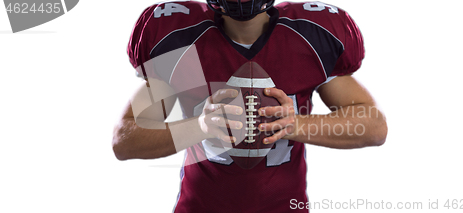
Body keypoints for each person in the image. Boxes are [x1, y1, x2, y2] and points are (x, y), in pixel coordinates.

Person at [113, 0, 388, 212]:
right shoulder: (180, 37)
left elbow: (374, 126)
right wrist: (199, 127)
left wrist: (296, 124)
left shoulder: (311, 37)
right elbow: (125, 140)